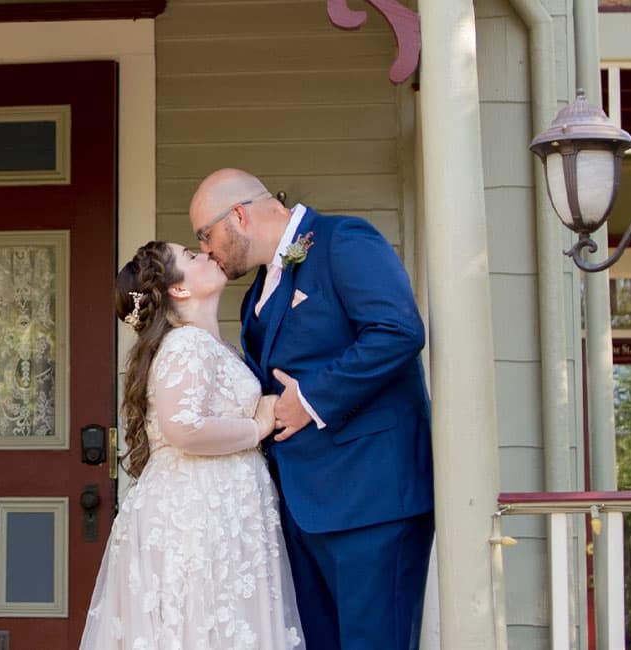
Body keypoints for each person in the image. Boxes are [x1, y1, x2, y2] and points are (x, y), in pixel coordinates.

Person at [189, 168, 435, 650]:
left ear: (238, 215)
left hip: (371, 503)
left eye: (205, 235)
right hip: (301, 511)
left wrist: (311, 399)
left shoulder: (343, 241)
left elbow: (398, 331)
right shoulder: (254, 297)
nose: (206, 250)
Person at [79, 240, 303, 650]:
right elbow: (184, 428)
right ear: (179, 290)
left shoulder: (207, 345)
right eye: (191, 256)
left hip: (213, 504)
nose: (205, 255)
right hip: (198, 510)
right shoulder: (187, 344)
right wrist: (256, 427)